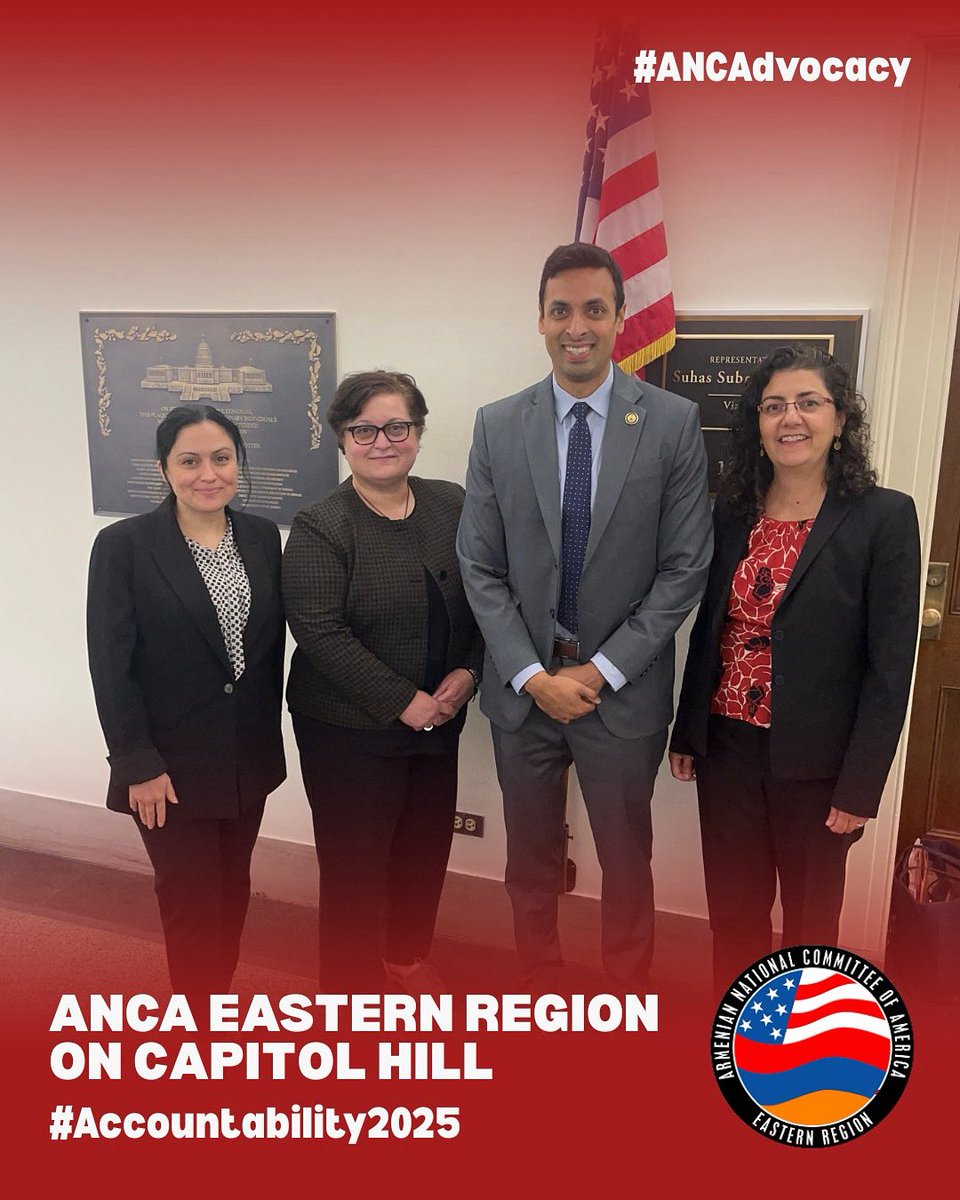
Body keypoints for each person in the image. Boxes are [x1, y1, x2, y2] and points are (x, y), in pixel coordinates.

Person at [457, 243, 713, 991]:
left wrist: (597, 672)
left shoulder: (670, 424)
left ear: (619, 318)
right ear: (540, 318)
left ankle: (626, 996)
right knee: (528, 857)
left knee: (627, 861)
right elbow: (481, 566)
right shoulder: (498, 425)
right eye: (561, 309)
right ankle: (538, 988)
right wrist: (534, 675)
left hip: (620, 694)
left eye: (594, 309)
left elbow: (684, 569)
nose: (578, 326)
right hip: (525, 692)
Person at [668, 344, 921, 993]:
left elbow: (889, 668)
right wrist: (686, 729)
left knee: (811, 925)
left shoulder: (884, 517)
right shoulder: (733, 511)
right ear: (757, 421)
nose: (791, 418)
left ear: (840, 420)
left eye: (809, 403)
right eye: (775, 405)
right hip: (726, 749)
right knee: (734, 913)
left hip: (819, 764)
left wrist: (860, 786)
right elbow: (712, 628)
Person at [282, 370, 483, 993]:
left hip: (441, 718)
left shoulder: (451, 502)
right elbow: (319, 632)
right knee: (355, 868)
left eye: (397, 426)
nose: (382, 440)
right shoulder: (322, 524)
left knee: (424, 854)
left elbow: (485, 597)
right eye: (363, 429)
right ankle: (347, 990)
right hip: (346, 728)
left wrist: (470, 673)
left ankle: (405, 959)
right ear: (342, 440)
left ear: (418, 433)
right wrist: (406, 702)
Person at [86, 404, 286, 999]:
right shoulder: (124, 545)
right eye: (190, 460)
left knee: (232, 893)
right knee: (191, 903)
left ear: (238, 463)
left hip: (245, 759)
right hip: (167, 769)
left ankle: (215, 1004)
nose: (208, 473)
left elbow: (265, 651)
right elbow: (111, 665)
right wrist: (136, 764)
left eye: (221, 459)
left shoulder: (259, 536)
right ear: (164, 468)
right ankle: (199, 1026)